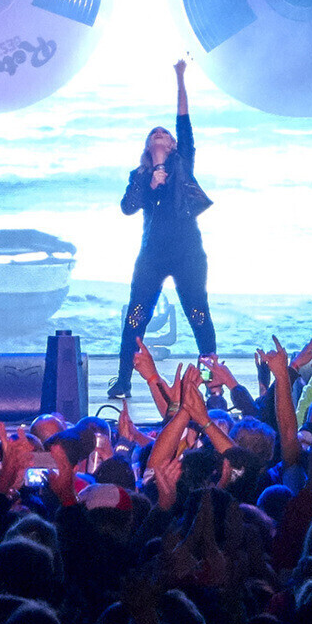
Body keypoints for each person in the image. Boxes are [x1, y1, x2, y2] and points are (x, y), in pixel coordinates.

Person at [106, 57, 217, 403]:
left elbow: (183, 119)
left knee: (199, 315)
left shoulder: (183, 163)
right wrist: (149, 181)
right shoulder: (139, 177)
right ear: (147, 146)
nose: (160, 133)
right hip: (152, 257)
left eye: (165, 134)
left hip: (187, 254)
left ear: (172, 145)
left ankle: (212, 381)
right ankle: (123, 380)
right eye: (154, 133)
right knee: (135, 317)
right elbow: (127, 207)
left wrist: (180, 77)